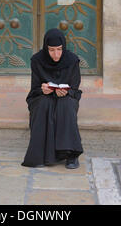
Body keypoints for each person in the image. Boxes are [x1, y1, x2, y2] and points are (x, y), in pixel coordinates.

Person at [21, 28, 83, 169]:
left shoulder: (72, 60)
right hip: (43, 96)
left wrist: (66, 93)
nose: (56, 54)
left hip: (67, 98)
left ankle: (71, 155)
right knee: (43, 104)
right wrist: (43, 89)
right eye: (52, 50)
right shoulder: (37, 60)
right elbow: (34, 89)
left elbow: (75, 89)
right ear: (45, 48)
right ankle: (41, 155)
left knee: (65, 105)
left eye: (59, 49)